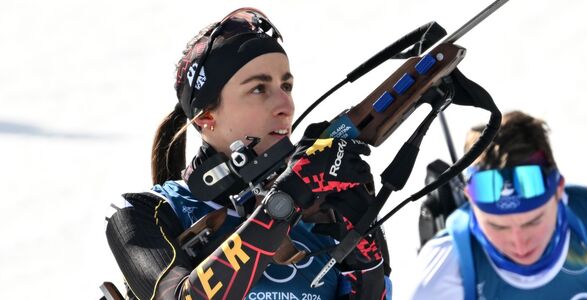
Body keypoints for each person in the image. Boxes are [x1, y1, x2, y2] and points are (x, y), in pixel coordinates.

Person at [105, 8, 389, 300]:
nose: (286, 105)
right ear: (205, 117)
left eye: (286, 86)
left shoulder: (323, 212)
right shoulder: (144, 214)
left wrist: (364, 254)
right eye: (258, 89)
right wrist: (286, 201)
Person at [408, 111, 587, 299]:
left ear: (558, 191)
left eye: (533, 221)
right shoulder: (441, 273)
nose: (519, 243)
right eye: (497, 226)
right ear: (471, 203)